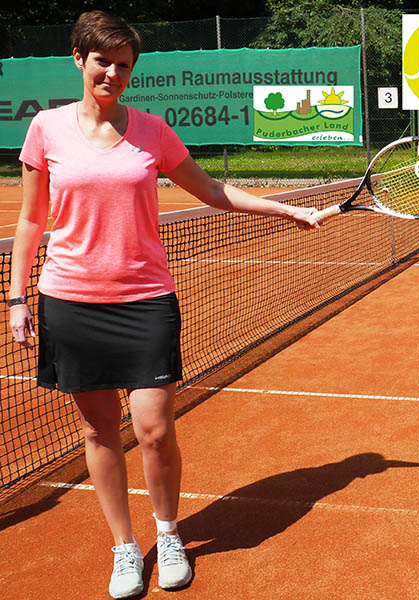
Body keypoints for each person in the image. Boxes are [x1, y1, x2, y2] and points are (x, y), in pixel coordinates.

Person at [7, 11, 319, 599]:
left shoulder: (152, 130)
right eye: (103, 62)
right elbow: (30, 219)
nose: (113, 74)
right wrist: (18, 297)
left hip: (145, 299)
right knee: (99, 432)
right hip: (70, 300)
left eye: (124, 65)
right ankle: (126, 548)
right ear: (79, 58)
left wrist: (289, 209)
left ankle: (168, 533)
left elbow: (212, 190)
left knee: (153, 429)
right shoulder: (46, 129)